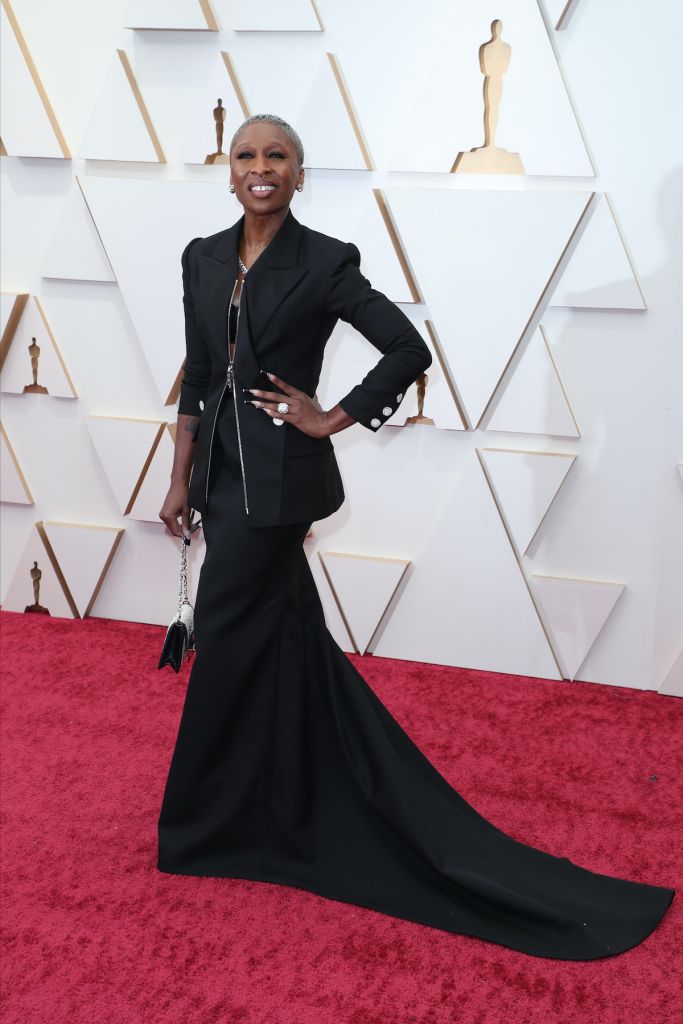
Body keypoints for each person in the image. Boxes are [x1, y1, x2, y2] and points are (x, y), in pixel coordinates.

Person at [157, 113, 674, 960]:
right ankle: (286, 803)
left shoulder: (325, 261)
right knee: (286, 646)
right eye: (246, 155)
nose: (259, 168)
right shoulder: (201, 256)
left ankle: (207, 828)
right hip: (218, 476)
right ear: (229, 170)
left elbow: (404, 348)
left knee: (225, 635)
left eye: (276, 156)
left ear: (298, 172)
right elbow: (200, 372)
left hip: (280, 490)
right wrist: (178, 475)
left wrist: (329, 417)